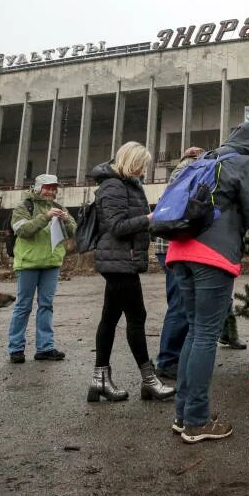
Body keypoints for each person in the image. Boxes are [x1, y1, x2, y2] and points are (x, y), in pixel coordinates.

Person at [166, 122, 249, 443]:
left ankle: (183, 414)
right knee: (205, 336)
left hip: (179, 249)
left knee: (194, 330)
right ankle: (197, 421)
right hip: (211, 254)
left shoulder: (205, 160)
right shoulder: (244, 163)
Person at [86, 142, 174, 403]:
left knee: (110, 318)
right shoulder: (113, 185)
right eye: (140, 164)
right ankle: (149, 381)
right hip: (118, 261)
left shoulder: (127, 184)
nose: (142, 169)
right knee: (137, 316)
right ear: (129, 161)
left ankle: (99, 380)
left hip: (121, 261)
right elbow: (116, 226)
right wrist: (149, 219)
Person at [8, 174, 76, 363]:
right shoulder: (24, 207)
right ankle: (16, 348)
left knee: (46, 305)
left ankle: (45, 348)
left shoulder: (60, 208)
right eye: (48, 188)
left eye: (54, 188)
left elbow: (74, 231)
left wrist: (66, 220)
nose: (51, 192)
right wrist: (45, 217)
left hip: (52, 264)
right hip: (28, 263)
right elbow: (23, 230)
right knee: (23, 306)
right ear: (38, 188)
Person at [155, 146, 205, 380]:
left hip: (167, 246)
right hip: (177, 245)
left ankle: (173, 356)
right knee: (180, 304)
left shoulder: (177, 172)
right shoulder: (189, 170)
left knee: (178, 302)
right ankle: (167, 360)